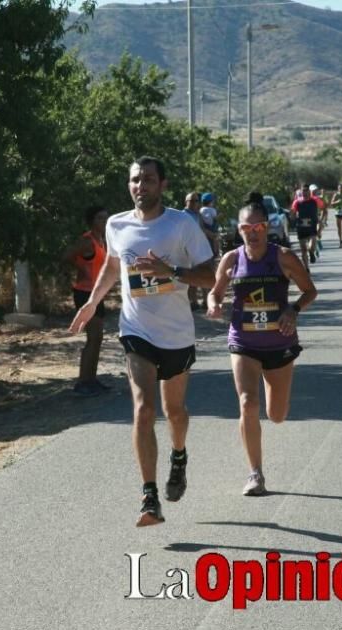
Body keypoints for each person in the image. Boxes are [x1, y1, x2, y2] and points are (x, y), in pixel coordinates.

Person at [69, 156, 216, 527]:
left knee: (175, 412)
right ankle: (149, 496)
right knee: (143, 409)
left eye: (148, 179)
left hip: (177, 334)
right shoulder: (117, 225)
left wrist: (172, 272)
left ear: (162, 185)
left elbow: (211, 276)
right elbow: (113, 266)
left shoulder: (182, 224)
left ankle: (178, 456)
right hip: (136, 330)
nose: (141, 186)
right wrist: (92, 302)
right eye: (135, 180)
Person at [207, 202, 317, 495]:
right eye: (246, 228)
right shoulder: (231, 260)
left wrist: (293, 309)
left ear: (266, 227)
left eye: (257, 228)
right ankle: (255, 474)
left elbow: (310, 291)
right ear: (238, 229)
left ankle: (271, 408)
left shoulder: (283, 257)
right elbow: (215, 292)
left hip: (279, 342)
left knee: (277, 414)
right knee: (247, 403)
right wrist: (214, 305)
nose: (252, 233)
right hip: (243, 341)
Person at [63, 206, 110, 397]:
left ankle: (91, 379)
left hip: (96, 294)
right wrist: (78, 270)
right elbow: (65, 257)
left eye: (106, 218)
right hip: (85, 294)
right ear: (91, 221)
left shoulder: (102, 241)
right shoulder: (86, 241)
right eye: (100, 218)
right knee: (93, 338)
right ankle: (83, 381)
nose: (104, 222)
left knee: (97, 338)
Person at [182, 192, 206, 309]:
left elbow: (202, 230)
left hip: (199, 250)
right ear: (186, 202)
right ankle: (193, 302)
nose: (194, 203)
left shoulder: (198, 216)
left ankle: (205, 301)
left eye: (196, 201)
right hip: (187, 251)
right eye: (192, 201)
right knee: (191, 278)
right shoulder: (182, 216)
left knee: (202, 274)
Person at [289, 184, 320, 269]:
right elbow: (292, 213)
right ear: (301, 192)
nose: (305, 192)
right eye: (303, 190)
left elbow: (323, 207)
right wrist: (293, 216)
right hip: (301, 227)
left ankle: (311, 252)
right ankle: (306, 268)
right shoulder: (297, 202)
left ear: (309, 192)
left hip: (312, 226)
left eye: (306, 190)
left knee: (312, 245)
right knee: (303, 250)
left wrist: (319, 219)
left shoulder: (315, 200)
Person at [198, 192, 221, 258]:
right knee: (215, 239)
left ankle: (213, 253)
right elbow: (213, 219)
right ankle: (216, 253)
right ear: (211, 202)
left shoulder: (201, 209)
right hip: (211, 228)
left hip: (205, 228)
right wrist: (219, 216)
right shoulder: (212, 210)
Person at [309, 184, 327, 257]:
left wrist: (322, 219)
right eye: (313, 190)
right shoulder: (305, 199)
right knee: (310, 237)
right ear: (310, 191)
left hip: (316, 218)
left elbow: (324, 209)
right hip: (307, 220)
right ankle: (315, 250)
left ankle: (318, 240)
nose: (314, 192)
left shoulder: (317, 199)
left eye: (315, 190)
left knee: (319, 229)